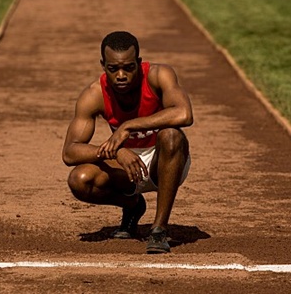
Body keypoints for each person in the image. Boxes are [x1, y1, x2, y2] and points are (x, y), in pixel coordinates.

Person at [61, 31, 193, 254]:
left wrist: (128, 126)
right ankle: (133, 205)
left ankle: (159, 229)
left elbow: (184, 114)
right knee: (80, 180)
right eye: (113, 69)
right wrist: (116, 153)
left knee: (171, 135)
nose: (121, 75)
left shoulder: (159, 75)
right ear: (103, 65)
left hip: (167, 159)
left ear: (139, 64)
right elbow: (70, 152)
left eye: (128, 68)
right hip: (126, 166)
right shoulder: (94, 94)